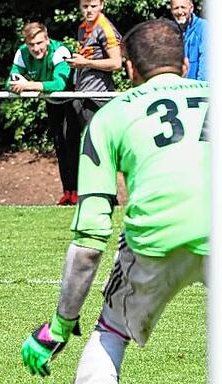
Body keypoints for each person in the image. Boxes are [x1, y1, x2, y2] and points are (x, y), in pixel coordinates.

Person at [20, 19, 209, 383]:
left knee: (111, 333)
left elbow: (90, 241)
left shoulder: (109, 117)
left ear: (129, 69)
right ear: (185, 66)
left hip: (155, 241)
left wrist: (60, 326)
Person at [62, 0, 122, 205]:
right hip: (81, 93)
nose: (89, 10)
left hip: (99, 96)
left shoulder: (105, 28)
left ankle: (109, 196)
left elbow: (117, 62)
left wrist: (86, 62)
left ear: (102, 5)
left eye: (93, 6)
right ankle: (85, 192)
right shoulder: (82, 28)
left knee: (100, 146)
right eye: (85, 6)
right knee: (77, 143)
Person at [7, 22, 76, 205]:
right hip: (52, 102)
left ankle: (78, 191)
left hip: (74, 101)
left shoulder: (60, 51)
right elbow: (10, 82)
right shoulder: (21, 53)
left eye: (39, 43)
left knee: (73, 144)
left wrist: (28, 85)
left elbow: (59, 85)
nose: (36, 49)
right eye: (31, 45)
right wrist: (18, 84)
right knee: (59, 145)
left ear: (47, 39)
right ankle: (67, 192)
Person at [170, 0, 207, 81]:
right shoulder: (170, 31)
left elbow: (206, 66)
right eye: (176, 8)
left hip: (198, 90)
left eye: (183, 7)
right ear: (171, 10)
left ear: (191, 8)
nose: (180, 11)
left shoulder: (203, 28)